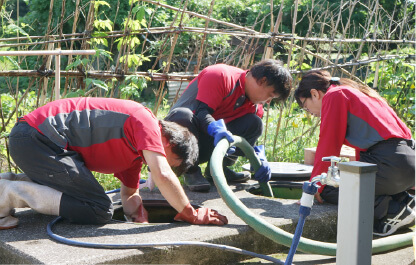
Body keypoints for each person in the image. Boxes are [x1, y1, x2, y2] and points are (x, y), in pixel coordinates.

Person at [0, 97, 228, 229]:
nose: (164, 165)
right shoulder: (146, 123)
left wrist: (136, 216)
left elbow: (128, 194)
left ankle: (7, 183)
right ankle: (11, 193)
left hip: (37, 143)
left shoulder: (134, 156)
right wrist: (190, 213)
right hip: (36, 139)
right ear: (168, 143)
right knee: (99, 209)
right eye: (172, 162)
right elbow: (163, 174)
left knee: (90, 200)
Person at [294, 70, 415, 236]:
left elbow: (328, 143)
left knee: (329, 188)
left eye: (306, 107)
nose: (312, 114)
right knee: (350, 178)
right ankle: (405, 201)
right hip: (405, 160)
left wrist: (316, 185)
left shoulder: (334, 95)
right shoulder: (358, 92)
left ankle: (392, 210)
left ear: (314, 94)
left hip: (390, 163)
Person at [165, 59, 292, 192]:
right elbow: (201, 112)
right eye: (270, 95)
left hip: (209, 145)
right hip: (181, 144)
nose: (268, 101)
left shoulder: (255, 107)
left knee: (254, 123)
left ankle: (218, 169)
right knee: (183, 115)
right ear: (262, 81)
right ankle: (190, 171)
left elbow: (248, 141)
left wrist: (258, 157)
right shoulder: (220, 75)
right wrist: (215, 129)